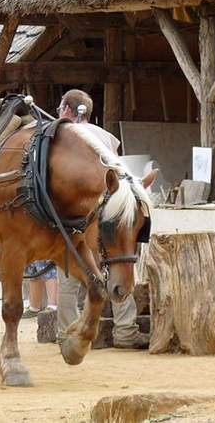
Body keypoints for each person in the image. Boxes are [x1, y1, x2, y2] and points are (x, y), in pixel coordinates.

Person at [55, 89, 149, 350]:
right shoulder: (106, 138)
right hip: (107, 219)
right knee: (116, 264)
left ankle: (67, 333)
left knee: (68, 277)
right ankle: (125, 330)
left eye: (60, 108)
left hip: (75, 219)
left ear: (65, 111)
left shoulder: (61, 137)